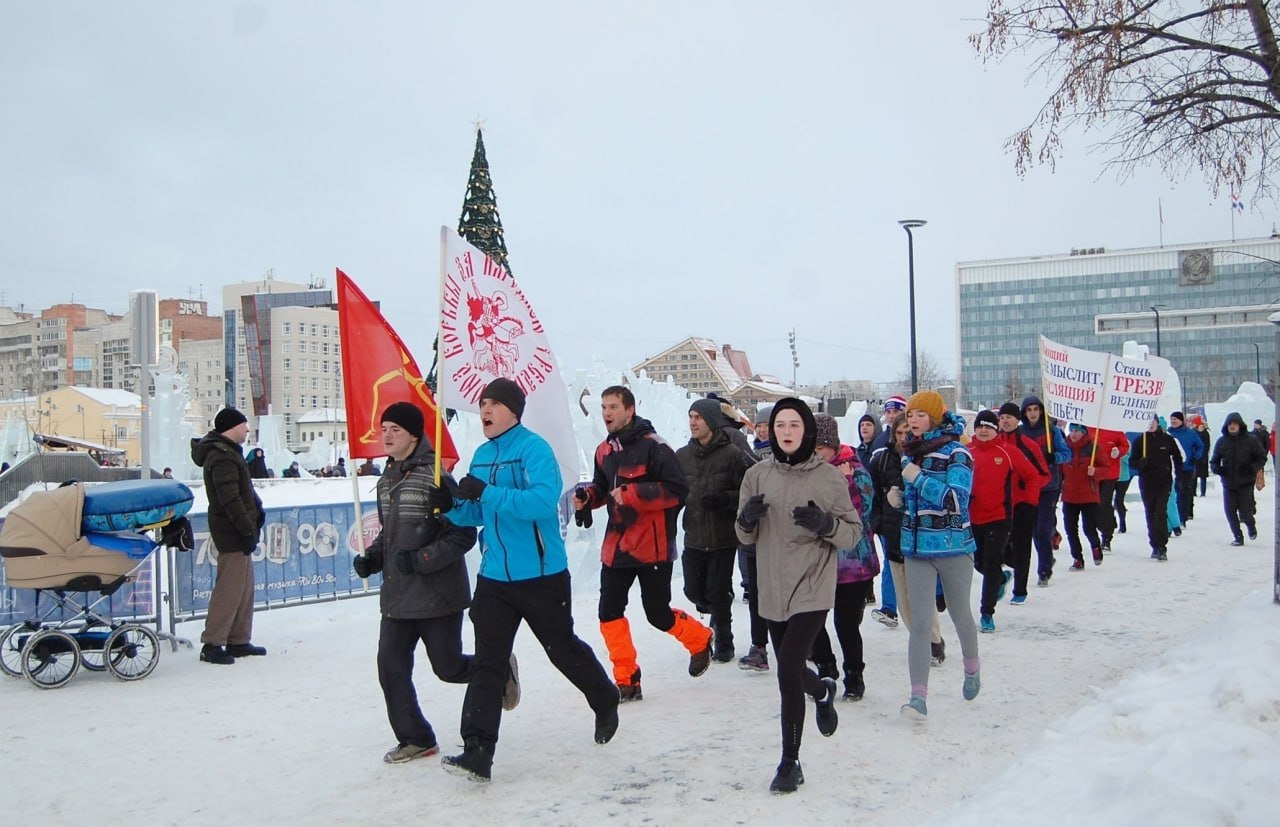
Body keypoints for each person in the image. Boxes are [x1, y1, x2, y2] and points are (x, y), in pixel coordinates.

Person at [427, 378, 619, 782]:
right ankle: (478, 751)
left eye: (494, 403)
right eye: (482, 403)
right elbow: (480, 514)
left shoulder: (535, 449)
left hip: (541, 575)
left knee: (561, 649)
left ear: (514, 410)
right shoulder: (480, 455)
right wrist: (451, 508)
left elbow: (540, 502)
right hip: (494, 577)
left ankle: (604, 697)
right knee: (488, 662)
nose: (485, 410)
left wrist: (488, 492)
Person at [352, 402, 494, 764]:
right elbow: (391, 533)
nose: (386, 435)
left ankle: (496, 667)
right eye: (384, 428)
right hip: (398, 597)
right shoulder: (387, 479)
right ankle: (416, 738)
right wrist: (374, 555)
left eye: (395, 430)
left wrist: (423, 559)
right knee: (390, 667)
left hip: (438, 595)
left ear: (414, 436)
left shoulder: (435, 477)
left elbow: (463, 533)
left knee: (447, 668)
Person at [735, 398, 860, 793]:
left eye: (794, 424)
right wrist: (745, 520)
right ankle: (822, 690)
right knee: (790, 670)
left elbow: (853, 532)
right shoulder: (756, 475)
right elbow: (743, 535)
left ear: (806, 431)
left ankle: (790, 762)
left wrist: (825, 524)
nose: (786, 431)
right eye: (780, 425)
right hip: (771, 587)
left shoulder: (827, 478)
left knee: (787, 667)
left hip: (811, 584)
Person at [573, 385, 712, 701]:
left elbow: (678, 491)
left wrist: (635, 495)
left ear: (629, 410)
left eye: (612, 407)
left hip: (652, 546)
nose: (606, 413)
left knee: (657, 614)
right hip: (616, 546)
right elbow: (602, 487)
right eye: (604, 407)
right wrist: (588, 497)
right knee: (609, 612)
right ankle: (627, 679)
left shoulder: (656, 448)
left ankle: (700, 639)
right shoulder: (603, 451)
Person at [896, 390, 981, 720]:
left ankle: (972, 669)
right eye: (910, 415)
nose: (912, 421)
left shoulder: (957, 452)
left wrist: (918, 480)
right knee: (920, 623)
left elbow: (956, 501)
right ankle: (918, 697)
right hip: (917, 550)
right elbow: (918, 500)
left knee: (960, 615)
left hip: (953, 548)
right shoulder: (912, 453)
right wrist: (900, 502)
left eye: (919, 415)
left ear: (934, 416)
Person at [675, 398, 755, 664]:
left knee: (717, 592)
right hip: (694, 535)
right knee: (693, 591)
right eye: (690, 417)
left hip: (722, 536)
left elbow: (746, 491)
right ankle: (717, 606)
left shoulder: (731, 454)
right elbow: (675, 494)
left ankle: (724, 641)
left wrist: (725, 499)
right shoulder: (682, 456)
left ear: (711, 420)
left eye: (698, 417)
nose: (693, 422)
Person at [807, 413, 877, 700]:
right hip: (817, 561)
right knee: (810, 620)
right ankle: (825, 667)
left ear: (832, 446)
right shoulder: (807, 470)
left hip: (853, 564)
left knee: (846, 624)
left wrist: (843, 483)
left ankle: (854, 674)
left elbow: (863, 511)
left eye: (820, 449)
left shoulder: (855, 468)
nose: (816, 456)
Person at [191, 407, 266, 665]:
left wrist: (257, 511)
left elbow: (243, 492)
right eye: (244, 425)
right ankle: (213, 642)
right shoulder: (221, 456)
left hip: (239, 530)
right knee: (230, 589)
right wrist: (246, 528)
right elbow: (230, 499)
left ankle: (238, 639)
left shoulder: (229, 453)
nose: (247, 430)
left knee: (243, 588)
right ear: (232, 427)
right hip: (232, 531)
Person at [870, 413, 947, 662]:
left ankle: (933, 642)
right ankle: (920, 636)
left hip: (921, 537)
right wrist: (879, 523)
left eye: (909, 433)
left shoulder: (923, 459)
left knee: (921, 597)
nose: (904, 438)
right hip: (893, 537)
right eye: (900, 433)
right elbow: (873, 498)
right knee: (904, 599)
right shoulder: (881, 460)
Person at [969, 410, 1037, 632]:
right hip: (972, 517)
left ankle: (986, 612)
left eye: (988, 427)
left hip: (999, 517)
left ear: (995, 429)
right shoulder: (966, 452)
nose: (984, 430)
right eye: (980, 427)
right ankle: (999, 579)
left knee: (990, 561)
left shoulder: (1008, 452)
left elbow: (1032, 476)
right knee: (977, 562)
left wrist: (1028, 503)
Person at [994, 402, 1048, 605]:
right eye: (1002, 417)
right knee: (999, 547)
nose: (1005, 421)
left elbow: (1043, 474)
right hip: (999, 504)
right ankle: (1003, 575)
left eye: (1009, 417)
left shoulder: (1028, 444)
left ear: (1018, 420)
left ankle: (1020, 589)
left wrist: (1030, 496)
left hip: (1023, 504)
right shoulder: (995, 443)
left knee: (1022, 546)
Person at [737, 403, 774, 672]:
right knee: (757, 596)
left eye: (766, 425)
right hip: (753, 537)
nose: (761, 429)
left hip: (780, 539)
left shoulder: (789, 459)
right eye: (758, 425)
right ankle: (759, 647)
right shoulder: (748, 457)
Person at [1019, 395, 1070, 587]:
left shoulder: (1052, 431)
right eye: (1029, 410)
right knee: (1033, 528)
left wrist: (1053, 457)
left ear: (1041, 411)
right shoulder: (1021, 432)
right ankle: (1047, 558)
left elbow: (1067, 454)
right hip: (1028, 486)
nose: (1033, 413)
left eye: (1036, 409)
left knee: (1043, 528)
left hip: (1049, 485)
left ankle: (1044, 570)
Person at [1129, 415, 1182, 561]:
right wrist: (1140, 463)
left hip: (1164, 481)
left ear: (1157, 423)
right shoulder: (1141, 441)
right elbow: (1132, 461)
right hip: (1147, 482)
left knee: (1160, 511)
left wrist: (1179, 476)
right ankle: (1154, 544)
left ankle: (1162, 546)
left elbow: (1178, 458)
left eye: (1152, 422)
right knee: (1150, 513)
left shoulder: (1167, 439)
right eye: (1147, 423)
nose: (1150, 425)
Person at [1210, 412, 1268, 545]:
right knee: (1229, 511)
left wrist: (1252, 468)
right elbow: (1214, 461)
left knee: (1245, 513)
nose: (1232, 426)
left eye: (1235, 424)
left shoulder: (1250, 440)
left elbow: (1261, 457)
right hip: (1228, 482)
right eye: (1230, 424)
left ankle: (1251, 526)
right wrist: (1218, 469)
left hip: (1245, 482)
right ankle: (1238, 536)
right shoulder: (1222, 441)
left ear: (1240, 425)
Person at [1060, 424, 1103, 569]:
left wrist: (1096, 471)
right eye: (1071, 430)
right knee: (1070, 529)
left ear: (1084, 433)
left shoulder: (1093, 447)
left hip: (1088, 495)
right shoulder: (1064, 446)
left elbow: (1106, 469)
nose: (1073, 433)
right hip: (1069, 495)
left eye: (1077, 431)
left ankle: (1096, 546)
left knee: (1089, 527)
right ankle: (1077, 558)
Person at [1092, 427, 1129, 552]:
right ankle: (1107, 524)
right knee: (1093, 504)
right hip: (1092, 473)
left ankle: (1106, 536)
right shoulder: (1089, 427)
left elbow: (1125, 445)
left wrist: (1118, 451)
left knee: (1103, 503)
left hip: (1109, 473)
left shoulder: (1115, 429)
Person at [1166, 412, 1204, 525]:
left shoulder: (1191, 433)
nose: (1173, 421)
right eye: (1172, 419)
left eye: (1176, 419)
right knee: (1174, 493)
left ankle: (1183, 516)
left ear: (1182, 420)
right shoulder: (1168, 434)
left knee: (1184, 492)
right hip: (1171, 468)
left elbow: (1200, 446)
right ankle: (1175, 517)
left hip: (1187, 467)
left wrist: (1196, 457)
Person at [1193, 415, 1211, 497]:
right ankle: (1194, 492)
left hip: (1202, 457)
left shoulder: (1204, 433)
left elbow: (1206, 445)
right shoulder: (1194, 432)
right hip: (1197, 457)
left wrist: (1203, 456)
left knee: (1201, 476)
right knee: (1195, 476)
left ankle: (1202, 492)